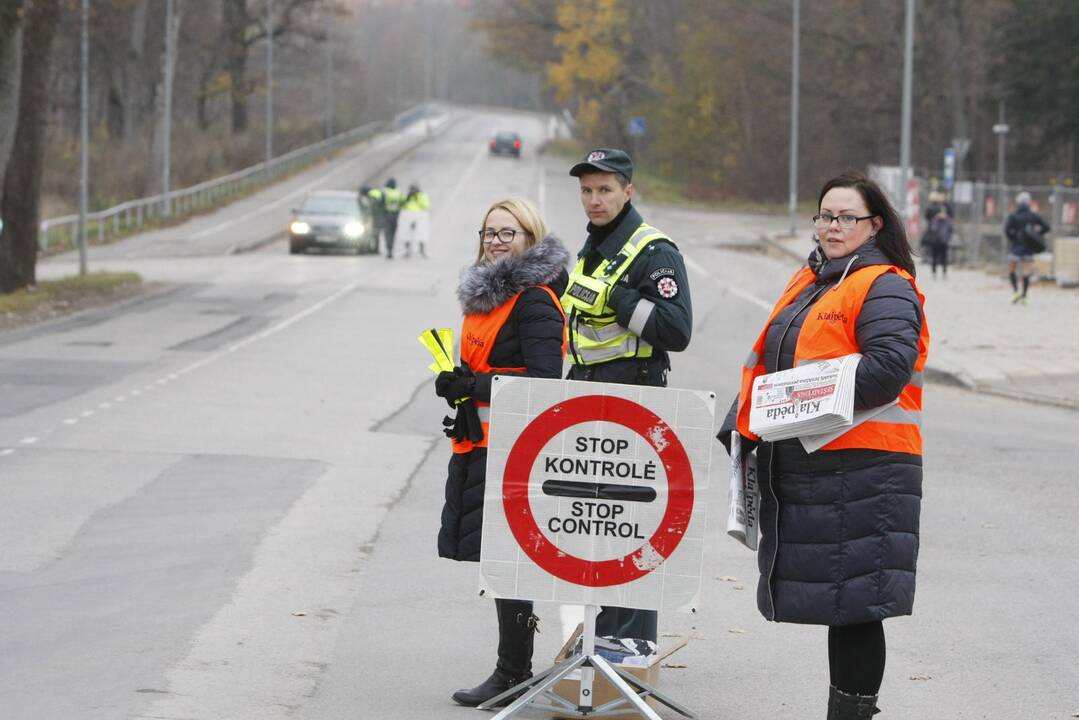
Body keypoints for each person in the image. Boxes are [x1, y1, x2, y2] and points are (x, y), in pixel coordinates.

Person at [717, 171, 929, 719]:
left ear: (875, 224)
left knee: (858, 605)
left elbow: (885, 370)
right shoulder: (816, 278)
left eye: (846, 217)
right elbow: (777, 358)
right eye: (825, 216)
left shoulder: (884, 283)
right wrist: (745, 417)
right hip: (821, 464)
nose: (832, 226)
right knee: (843, 599)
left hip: (866, 468)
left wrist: (786, 407)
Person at [435, 198, 570, 707]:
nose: (495, 241)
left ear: (529, 240)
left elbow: (543, 381)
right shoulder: (484, 300)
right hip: (481, 445)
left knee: (509, 564)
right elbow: (486, 367)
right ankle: (512, 669)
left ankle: (513, 670)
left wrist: (475, 384)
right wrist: (457, 383)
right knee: (499, 562)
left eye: (508, 233)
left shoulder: (533, 299)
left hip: (513, 451)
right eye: (489, 232)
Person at [560, 148, 692, 653]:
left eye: (605, 190)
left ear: (628, 191)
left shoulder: (652, 252)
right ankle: (604, 636)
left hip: (633, 399)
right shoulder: (594, 247)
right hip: (591, 395)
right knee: (600, 524)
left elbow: (677, 332)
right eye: (587, 191)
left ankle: (631, 646)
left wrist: (620, 301)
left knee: (631, 525)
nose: (594, 200)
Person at [1004, 190, 1050, 304]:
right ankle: (1024, 296)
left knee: (1012, 269)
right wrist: (1036, 235)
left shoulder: (1013, 216)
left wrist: (1013, 239)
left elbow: (1007, 230)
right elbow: (1046, 227)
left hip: (1016, 246)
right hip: (1029, 247)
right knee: (1026, 271)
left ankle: (1015, 292)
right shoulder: (1033, 216)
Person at [921, 190, 954, 279]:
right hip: (935, 233)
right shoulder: (932, 207)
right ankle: (935, 271)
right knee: (935, 254)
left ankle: (943, 271)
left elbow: (951, 215)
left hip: (943, 233)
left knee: (943, 254)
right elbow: (927, 216)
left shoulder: (946, 206)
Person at [400, 183, 431, 259]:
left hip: (420, 215)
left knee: (421, 233)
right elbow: (402, 205)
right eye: (411, 190)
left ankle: (422, 250)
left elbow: (426, 205)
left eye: (414, 189)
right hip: (408, 215)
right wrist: (407, 199)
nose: (412, 191)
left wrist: (417, 198)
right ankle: (407, 251)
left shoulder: (422, 195)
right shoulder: (407, 196)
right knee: (406, 233)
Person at [358, 184, 385, 255]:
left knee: (370, 234)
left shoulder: (369, 199)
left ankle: (369, 249)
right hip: (374, 219)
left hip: (371, 219)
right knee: (373, 235)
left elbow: (371, 209)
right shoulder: (374, 196)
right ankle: (372, 249)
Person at [382, 177, 404, 259]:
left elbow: (381, 202)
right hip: (396, 215)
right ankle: (391, 249)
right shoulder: (398, 192)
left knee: (387, 234)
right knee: (393, 233)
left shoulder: (385, 192)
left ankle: (389, 249)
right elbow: (402, 202)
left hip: (387, 215)